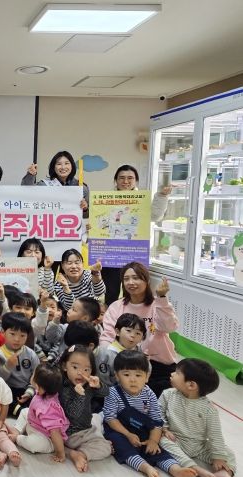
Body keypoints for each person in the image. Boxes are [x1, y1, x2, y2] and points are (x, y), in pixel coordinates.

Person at [102, 350, 197, 477]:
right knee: (121, 445)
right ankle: (145, 468)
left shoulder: (149, 394)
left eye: (138, 375)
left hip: (142, 429)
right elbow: (111, 418)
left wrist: (153, 440)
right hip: (119, 430)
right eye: (126, 374)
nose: (133, 379)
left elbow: (156, 422)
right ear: (117, 376)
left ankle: (176, 470)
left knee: (156, 450)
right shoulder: (113, 393)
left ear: (147, 377)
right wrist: (128, 434)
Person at [159, 359, 238, 477]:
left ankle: (225, 473)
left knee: (227, 452)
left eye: (177, 373)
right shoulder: (168, 394)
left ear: (191, 385)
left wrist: (218, 457)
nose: (172, 374)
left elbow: (215, 435)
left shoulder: (208, 409)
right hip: (175, 439)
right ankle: (196, 469)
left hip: (199, 445)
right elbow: (158, 412)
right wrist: (164, 428)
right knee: (161, 440)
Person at [101, 262, 178, 397]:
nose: (131, 282)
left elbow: (169, 327)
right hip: (126, 362)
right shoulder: (116, 307)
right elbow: (107, 336)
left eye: (136, 278)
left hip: (159, 364)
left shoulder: (157, 304)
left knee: (157, 400)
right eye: (126, 279)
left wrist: (162, 298)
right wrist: (108, 358)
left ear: (147, 280)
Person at [101, 164, 173, 304]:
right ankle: (110, 316)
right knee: (111, 291)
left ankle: (133, 316)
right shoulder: (105, 200)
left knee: (134, 291)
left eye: (130, 178)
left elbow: (155, 216)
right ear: (115, 180)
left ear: (136, 181)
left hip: (134, 252)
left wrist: (162, 196)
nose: (125, 181)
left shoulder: (142, 200)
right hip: (111, 253)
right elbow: (101, 222)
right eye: (121, 178)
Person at [58, 345, 112, 472]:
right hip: (72, 433)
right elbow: (73, 413)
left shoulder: (87, 384)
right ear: (65, 366)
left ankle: (91, 442)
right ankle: (78, 454)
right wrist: (80, 396)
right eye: (75, 367)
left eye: (86, 369)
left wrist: (99, 385)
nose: (80, 373)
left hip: (85, 426)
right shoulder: (64, 388)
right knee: (106, 448)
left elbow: (106, 393)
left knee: (97, 417)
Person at [7, 363, 69, 463]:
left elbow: (55, 432)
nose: (32, 375)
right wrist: (28, 394)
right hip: (34, 423)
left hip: (46, 438)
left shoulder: (48, 410)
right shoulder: (44, 392)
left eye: (33, 375)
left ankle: (18, 438)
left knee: (33, 444)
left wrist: (60, 453)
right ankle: (17, 430)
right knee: (24, 411)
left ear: (39, 387)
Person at [21, 151, 89, 217]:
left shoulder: (82, 188)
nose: (63, 167)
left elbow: (88, 216)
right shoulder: (45, 185)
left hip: (71, 223)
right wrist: (30, 175)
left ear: (72, 166)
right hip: (49, 223)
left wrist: (85, 209)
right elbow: (26, 192)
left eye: (66, 163)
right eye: (59, 164)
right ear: (54, 167)